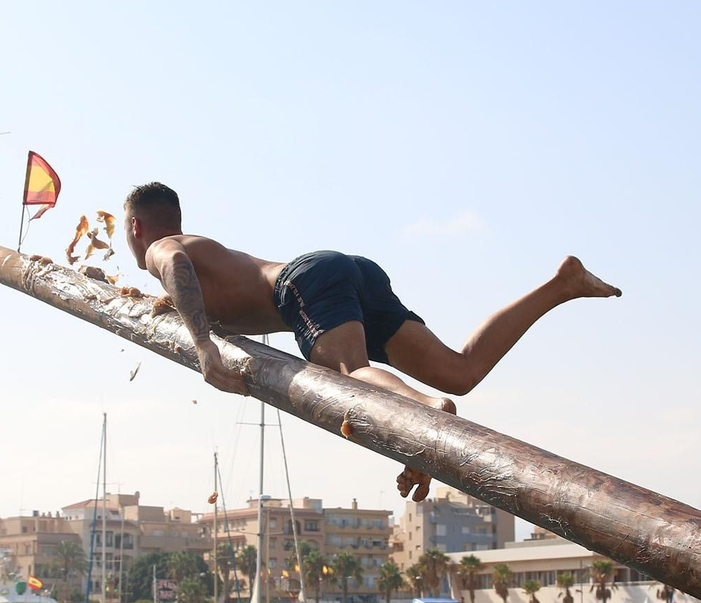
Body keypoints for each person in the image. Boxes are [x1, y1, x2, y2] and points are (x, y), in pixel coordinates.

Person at [121, 182, 621, 500]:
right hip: (344, 274)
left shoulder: (163, 250)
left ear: (136, 227)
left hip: (305, 282)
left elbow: (175, 265)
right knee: (461, 370)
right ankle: (562, 285)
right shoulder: (211, 257)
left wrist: (204, 346)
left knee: (349, 377)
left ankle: (425, 410)